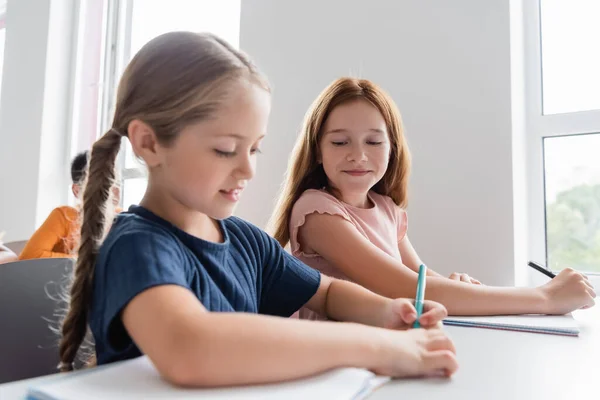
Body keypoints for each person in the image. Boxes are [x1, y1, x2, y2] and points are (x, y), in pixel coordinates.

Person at [58, 32, 458, 387]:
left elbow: (330, 292)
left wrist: (391, 312)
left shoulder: (247, 241)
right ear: (148, 144)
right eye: (226, 150)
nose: (248, 168)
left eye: (254, 148)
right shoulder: (138, 247)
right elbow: (190, 349)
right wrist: (374, 346)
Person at [269, 77, 596, 320]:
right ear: (317, 151)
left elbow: (424, 280)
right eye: (340, 142)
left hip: (384, 348)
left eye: (373, 142)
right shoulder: (316, 212)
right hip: (332, 362)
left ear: (392, 149)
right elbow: (409, 289)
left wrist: (465, 290)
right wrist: (545, 297)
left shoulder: (386, 209)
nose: (358, 155)